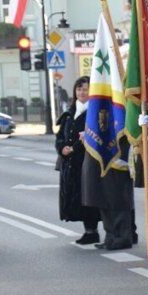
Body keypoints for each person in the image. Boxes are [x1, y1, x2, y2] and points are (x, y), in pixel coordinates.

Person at [55, 76, 101, 245]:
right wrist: (62, 148)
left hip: (85, 160)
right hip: (70, 163)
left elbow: (93, 135)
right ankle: (87, 229)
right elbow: (60, 136)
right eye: (79, 89)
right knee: (75, 196)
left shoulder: (94, 111)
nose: (82, 92)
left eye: (85, 89)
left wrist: (74, 148)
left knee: (87, 195)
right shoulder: (70, 112)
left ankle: (92, 230)